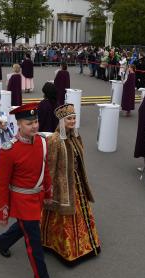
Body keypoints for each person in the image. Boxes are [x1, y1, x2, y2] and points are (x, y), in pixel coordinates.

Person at [0, 103, 52, 278]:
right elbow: (2, 184)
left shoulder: (42, 142)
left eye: (36, 121)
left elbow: (46, 169)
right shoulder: (9, 150)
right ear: (18, 124)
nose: (35, 126)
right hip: (22, 201)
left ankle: (3, 241)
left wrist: (48, 193)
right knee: (34, 243)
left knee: (26, 227)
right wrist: (2, 211)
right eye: (29, 123)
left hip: (38, 197)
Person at [41, 103, 100, 266]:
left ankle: (83, 246)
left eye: (74, 118)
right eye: (69, 119)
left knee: (80, 213)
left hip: (76, 181)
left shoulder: (75, 136)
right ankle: (61, 247)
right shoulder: (54, 140)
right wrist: (49, 190)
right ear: (62, 121)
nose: (73, 121)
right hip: (62, 184)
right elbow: (50, 166)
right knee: (60, 215)